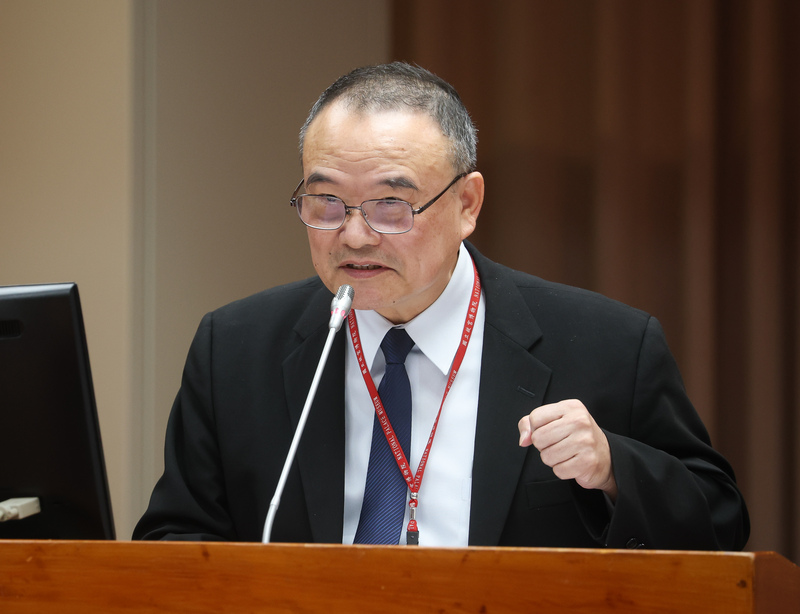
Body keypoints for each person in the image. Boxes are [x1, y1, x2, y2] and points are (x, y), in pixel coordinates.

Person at [134, 62, 749, 550]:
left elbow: (719, 522)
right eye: (324, 201)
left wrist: (616, 469)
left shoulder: (609, 344)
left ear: (467, 204)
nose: (353, 236)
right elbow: (174, 540)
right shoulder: (235, 348)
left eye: (391, 205)